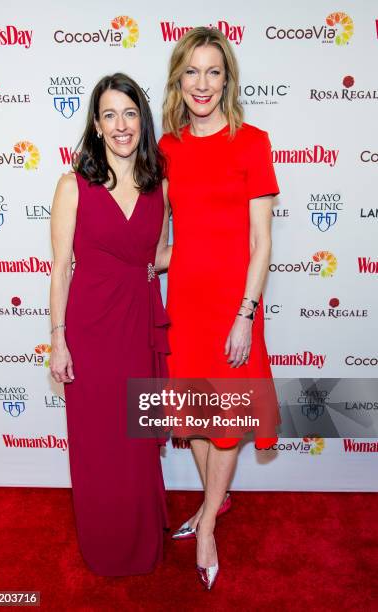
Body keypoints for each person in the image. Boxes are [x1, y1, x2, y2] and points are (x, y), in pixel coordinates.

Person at [159, 27, 281, 589]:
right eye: (192, 72)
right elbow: (163, 239)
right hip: (184, 302)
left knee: (227, 418)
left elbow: (262, 243)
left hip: (233, 309)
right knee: (201, 416)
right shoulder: (167, 148)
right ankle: (216, 503)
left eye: (213, 71)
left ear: (227, 79)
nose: (202, 84)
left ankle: (207, 523)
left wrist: (246, 313)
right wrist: (133, 263)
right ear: (178, 80)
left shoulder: (252, 142)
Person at [49, 73, 172, 576]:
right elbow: (60, 268)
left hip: (138, 322)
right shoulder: (72, 183)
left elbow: (156, 254)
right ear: (96, 126)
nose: (120, 125)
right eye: (109, 115)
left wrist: (213, 245)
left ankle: (142, 538)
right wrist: (57, 340)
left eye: (129, 113)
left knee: (136, 439)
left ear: (142, 120)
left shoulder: (158, 185)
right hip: (90, 329)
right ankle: (104, 542)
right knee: (99, 440)